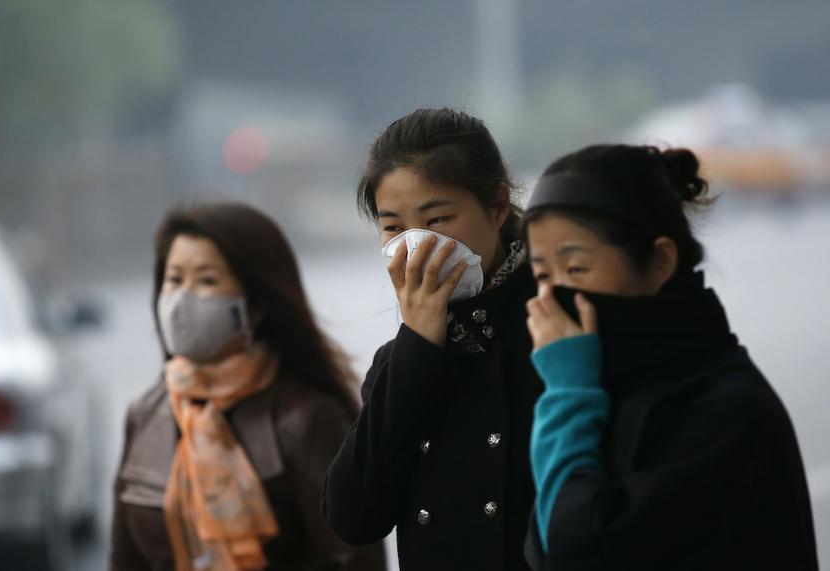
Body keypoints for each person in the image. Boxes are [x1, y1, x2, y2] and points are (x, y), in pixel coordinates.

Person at [521, 144, 818, 570]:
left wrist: (566, 394)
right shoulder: (606, 383)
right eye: (543, 275)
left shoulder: (726, 409)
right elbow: (545, 543)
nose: (553, 296)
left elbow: (583, 551)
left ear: (659, 261)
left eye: (577, 269)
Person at [321, 108, 544, 570]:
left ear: (497, 206)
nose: (417, 245)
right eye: (394, 227)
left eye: (437, 219)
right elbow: (353, 517)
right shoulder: (399, 362)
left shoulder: (558, 328)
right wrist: (418, 347)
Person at [110, 202, 387, 571]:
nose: (182, 299)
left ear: (255, 304)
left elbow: (354, 559)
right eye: (174, 279)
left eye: (207, 281)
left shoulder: (306, 421)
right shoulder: (146, 415)